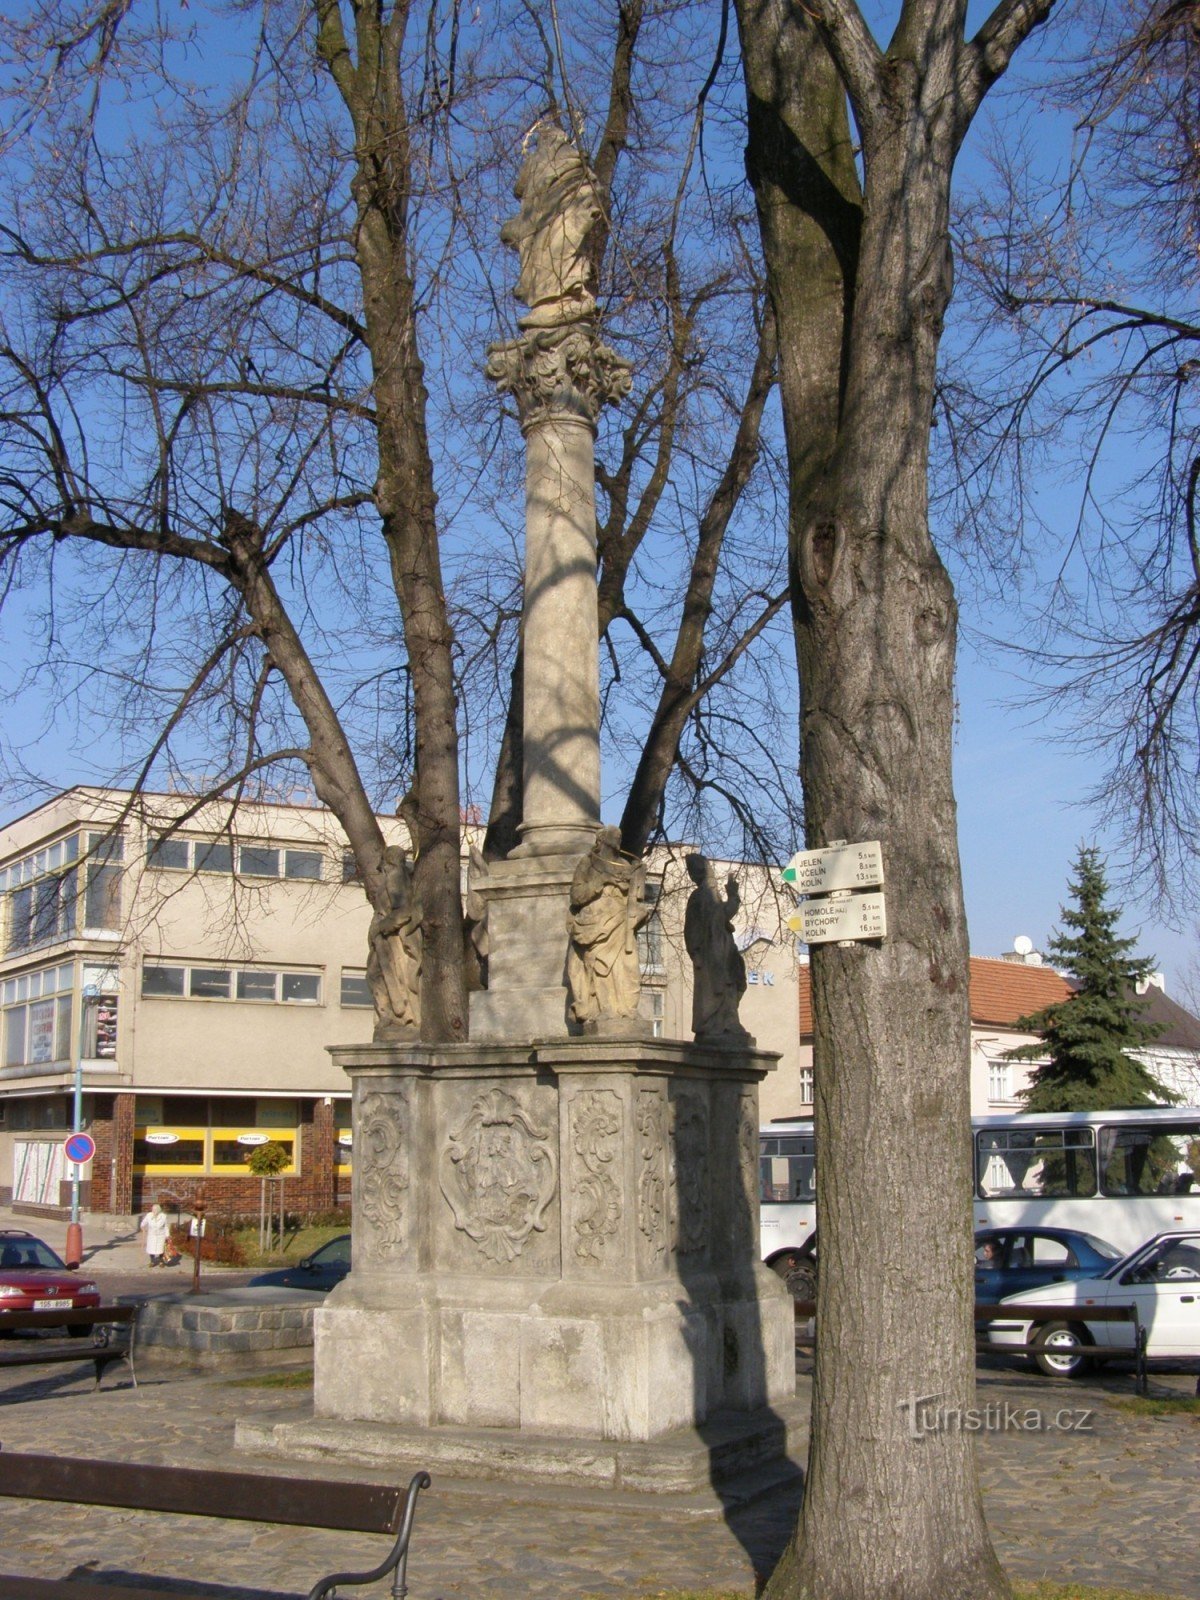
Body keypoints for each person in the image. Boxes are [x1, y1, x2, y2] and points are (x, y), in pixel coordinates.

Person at [565, 827, 650, 1027]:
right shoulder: (588, 864)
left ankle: (627, 1010)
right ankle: (606, 1010)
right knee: (601, 967)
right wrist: (601, 881)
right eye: (614, 834)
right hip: (596, 925)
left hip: (621, 924)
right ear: (601, 839)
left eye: (620, 834)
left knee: (629, 968)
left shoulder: (624, 864)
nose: (619, 835)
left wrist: (637, 887)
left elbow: (636, 896)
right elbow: (576, 896)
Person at [683, 853, 749, 1040]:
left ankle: (727, 1022)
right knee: (720, 987)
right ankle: (721, 1024)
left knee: (732, 983)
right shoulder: (703, 895)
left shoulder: (706, 893)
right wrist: (696, 952)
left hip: (720, 949)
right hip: (712, 953)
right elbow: (696, 927)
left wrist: (732, 895)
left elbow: (721, 916)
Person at [139, 1202, 170, 1268]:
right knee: (151, 1249)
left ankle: (161, 1261)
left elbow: (166, 1226)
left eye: (155, 1210)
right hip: (152, 1236)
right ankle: (152, 1261)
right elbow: (143, 1223)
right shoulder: (149, 1215)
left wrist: (167, 1235)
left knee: (161, 1249)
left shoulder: (163, 1216)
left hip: (160, 1236)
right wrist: (142, 1227)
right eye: (153, 1209)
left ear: (158, 1210)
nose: (153, 1211)